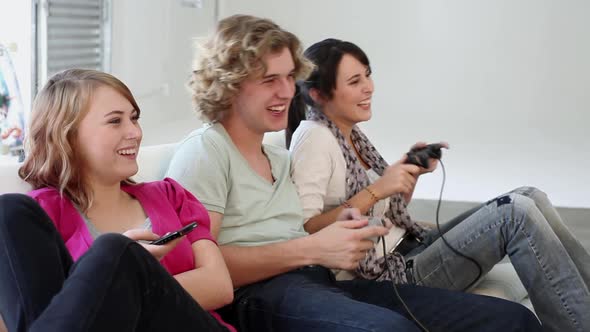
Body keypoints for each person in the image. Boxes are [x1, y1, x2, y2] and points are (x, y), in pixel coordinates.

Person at [165, 14, 542, 332]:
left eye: (287, 77)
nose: (286, 90)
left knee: (511, 319)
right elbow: (203, 267)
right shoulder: (206, 152)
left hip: (318, 280)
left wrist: (345, 225)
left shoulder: (277, 159)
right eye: (269, 80)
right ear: (228, 84)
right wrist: (310, 248)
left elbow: (307, 228)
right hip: (259, 296)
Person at [286, 38, 590, 332]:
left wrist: (408, 175)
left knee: (529, 195)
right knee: (515, 213)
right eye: (354, 81)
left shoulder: (351, 137)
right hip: (386, 275)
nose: (369, 87)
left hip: (407, 248)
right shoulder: (315, 138)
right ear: (319, 95)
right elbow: (304, 229)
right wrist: (379, 187)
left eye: (367, 75)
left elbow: (384, 213)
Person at [0, 69, 235, 332]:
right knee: (8, 210)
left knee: (117, 251)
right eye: (115, 121)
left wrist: (129, 276)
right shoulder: (38, 216)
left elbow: (219, 286)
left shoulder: (170, 195)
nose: (134, 132)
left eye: (134, 119)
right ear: (68, 136)